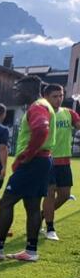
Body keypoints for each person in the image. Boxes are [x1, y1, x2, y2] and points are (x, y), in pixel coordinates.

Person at [0, 76, 56, 262]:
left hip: (33, 162)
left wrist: (27, 155)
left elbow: (41, 129)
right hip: (43, 161)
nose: (16, 94)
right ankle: (31, 251)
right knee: (32, 205)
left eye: (18, 90)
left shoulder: (37, 106)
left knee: (6, 202)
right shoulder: (45, 105)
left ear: (29, 90)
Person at [42, 84, 80, 241]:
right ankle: (50, 228)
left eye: (61, 96)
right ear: (46, 97)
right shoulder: (42, 113)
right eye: (55, 96)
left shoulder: (69, 113)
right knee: (50, 194)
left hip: (64, 161)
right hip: (47, 160)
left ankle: (41, 216)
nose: (59, 99)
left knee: (64, 195)